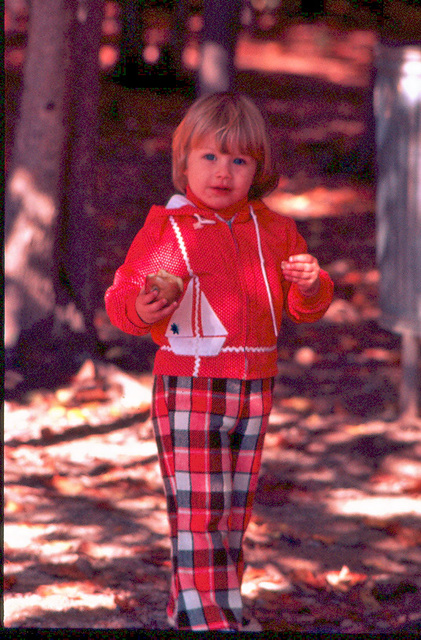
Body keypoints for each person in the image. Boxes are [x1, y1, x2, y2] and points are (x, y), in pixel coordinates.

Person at [105, 92, 334, 631]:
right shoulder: (170, 229)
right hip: (189, 386)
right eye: (209, 157)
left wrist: (311, 284)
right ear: (184, 160)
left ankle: (204, 609)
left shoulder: (275, 231)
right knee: (199, 510)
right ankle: (211, 619)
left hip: (255, 386)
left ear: (258, 169)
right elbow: (122, 299)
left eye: (239, 160)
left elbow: (305, 308)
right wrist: (140, 308)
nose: (223, 172)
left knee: (232, 514)